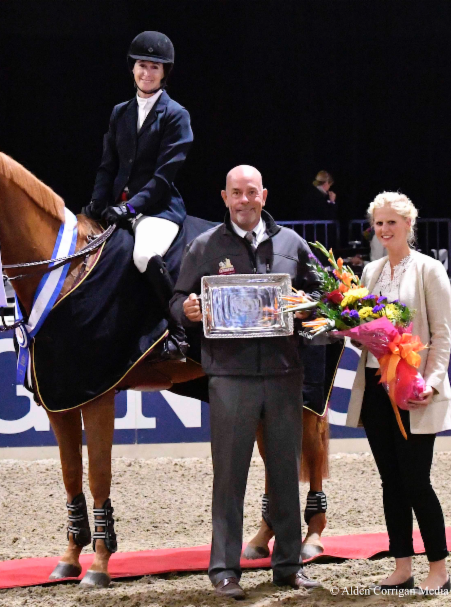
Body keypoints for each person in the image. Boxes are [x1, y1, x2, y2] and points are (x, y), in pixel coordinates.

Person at [170, 165, 321, 598]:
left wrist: (308, 307)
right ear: (224, 197)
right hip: (229, 376)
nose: (243, 200)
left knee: (285, 473)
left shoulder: (292, 244)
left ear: (264, 195)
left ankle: (288, 565)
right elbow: (178, 298)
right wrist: (189, 310)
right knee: (229, 475)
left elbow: (318, 297)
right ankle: (224, 570)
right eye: (236, 193)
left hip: (283, 373)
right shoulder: (204, 246)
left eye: (251, 192)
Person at [345, 192, 451, 594]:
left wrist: (433, 382)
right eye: (379, 223)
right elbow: (362, 332)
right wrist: (356, 333)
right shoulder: (370, 271)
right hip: (376, 389)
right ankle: (402, 565)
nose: (385, 230)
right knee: (391, 481)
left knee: (415, 481)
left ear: (410, 224)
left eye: (392, 222)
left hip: (413, 391)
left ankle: (439, 568)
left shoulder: (429, 270)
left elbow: (442, 335)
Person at [83, 30, 193, 360]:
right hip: (120, 206)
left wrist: (130, 207)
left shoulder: (176, 115)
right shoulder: (120, 112)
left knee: (144, 256)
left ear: (164, 73)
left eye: (154, 68)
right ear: (133, 68)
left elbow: (163, 177)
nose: (147, 73)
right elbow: (108, 165)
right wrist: (98, 201)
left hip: (158, 209)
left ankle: (178, 332)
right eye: (142, 66)